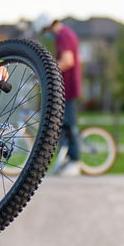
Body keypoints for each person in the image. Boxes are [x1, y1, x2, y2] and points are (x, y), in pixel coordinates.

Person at [34, 15, 83, 176]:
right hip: (65, 88)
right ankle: (67, 159)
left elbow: (68, 61)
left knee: (69, 125)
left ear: (48, 26)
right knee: (62, 125)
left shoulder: (64, 35)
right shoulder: (65, 35)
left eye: (45, 30)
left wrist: (47, 71)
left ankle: (75, 161)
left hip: (68, 88)